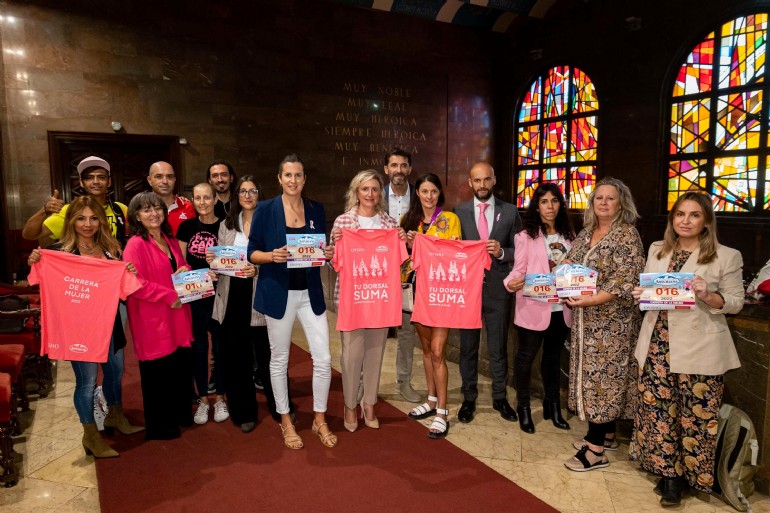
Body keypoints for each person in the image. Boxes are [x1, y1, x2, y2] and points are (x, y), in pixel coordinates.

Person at [630, 192, 744, 506]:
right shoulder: (657, 250)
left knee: (695, 417)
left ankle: (694, 477)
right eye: (680, 214)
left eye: (694, 215)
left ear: (706, 220)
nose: (686, 220)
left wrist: (708, 294)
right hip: (657, 345)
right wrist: (641, 293)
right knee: (660, 414)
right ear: (672, 218)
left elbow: (735, 303)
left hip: (700, 346)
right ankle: (670, 478)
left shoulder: (726, 255)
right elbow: (650, 293)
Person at [26, 195, 143, 458]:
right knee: (87, 382)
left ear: (101, 221)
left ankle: (115, 416)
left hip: (110, 322)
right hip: (78, 331)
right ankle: (90, 435)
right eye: (81, 218)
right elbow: (36, 278)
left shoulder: (112, 250)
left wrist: (128, 271)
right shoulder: (58, 253)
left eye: (93, 218)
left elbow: (124, 285)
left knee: (115, 372)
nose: (87, 224)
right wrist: (35, 260)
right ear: (71, 221)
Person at [247, 154, 337, 449]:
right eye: (288, 175)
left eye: (298, 175)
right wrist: (272, 256)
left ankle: (319, 419)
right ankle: (285, 420)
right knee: (279, 359)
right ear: (279, 178)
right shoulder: (265, 209)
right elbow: (252, 253)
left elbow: (319, 249)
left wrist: (327, 254)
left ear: (304, 179)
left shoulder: (315, 208)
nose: (293, 180)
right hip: (278, 294)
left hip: (309, 293)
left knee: (323, 359)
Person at [563, 177, 645, 471]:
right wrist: (557, 278)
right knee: (592, 377)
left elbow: (625, 280)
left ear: (621, 202)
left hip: (612, 326)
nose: (604, 203)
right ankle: (607, 434)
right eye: (599, 198)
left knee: (605, 381)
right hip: (585, 322)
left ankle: (595, 449)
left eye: (610, 198)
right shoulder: (586, 232)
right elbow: (570, 265)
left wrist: (590, 300)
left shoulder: (627, 235)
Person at [207, 176, 290, 432]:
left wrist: (257, 268)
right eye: (243, 191)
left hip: (262, 293)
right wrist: (214, 260)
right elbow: (221, 260)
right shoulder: (226, 225)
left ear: (260, 194)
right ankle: (244, 411)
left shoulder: (273, 223)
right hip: (232, 294)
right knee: (237, 357)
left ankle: (281, 408)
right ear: (237, 196)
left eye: (253, 190)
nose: (247, 195)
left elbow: (280, 257)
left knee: (268, 355)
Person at [330, 169, 405, 432]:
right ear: (356, 192)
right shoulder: (342, 223)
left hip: (380, 300)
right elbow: (334, 261)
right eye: (365, 189)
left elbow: (400, 260)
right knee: (351, 355)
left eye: (375, 189)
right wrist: (334, 246)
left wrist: (403, 240)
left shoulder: (390, 225)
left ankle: (369, 402)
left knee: (375, 353)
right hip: (352, 301)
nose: (370, 194)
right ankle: (350, 404)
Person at [123, 192, 195, 440]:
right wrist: (167, 296)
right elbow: (134, 283)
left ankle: (179, 414)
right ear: (136, 216)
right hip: (152, 316)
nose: (153, 213)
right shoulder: (135, 244)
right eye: (146, 210)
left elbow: (179, 267)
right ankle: (161, 426)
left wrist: (186, 269)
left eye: (157, 208)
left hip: (177, 312)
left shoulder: (169, 238)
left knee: (177, 367)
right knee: (158, 373)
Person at [504, 183, 575, 433]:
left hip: (561, 309)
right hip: (534, 307)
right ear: (537, 205)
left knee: (553, 359)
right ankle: (523, 406)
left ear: (560, 204)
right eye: (544, 201)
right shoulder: (525, 236)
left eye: (554, 201)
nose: (550, 206)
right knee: (525, 359)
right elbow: (518, 270)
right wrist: (510, 283)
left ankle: (552, 405)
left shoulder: (570, 236)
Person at [454, 162, 520, 424]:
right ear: (470, 183)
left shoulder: (511, 211)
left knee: (498, 347)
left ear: (494, 180)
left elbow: (521, 251)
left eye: (486, 180)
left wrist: (502, 252)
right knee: (468, 348)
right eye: (476, 181)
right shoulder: (457, 213)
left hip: (498, 289)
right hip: (467, 291)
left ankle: (500, 397)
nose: (482, 185)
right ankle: (468, 398)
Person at [402, 173, 461, 439]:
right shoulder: (408, 221)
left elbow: (454, 255)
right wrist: (410, 247)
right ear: (417, 193)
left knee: (438, 351)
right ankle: (431, 399)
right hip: (416, 292)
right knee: (426, 349)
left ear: (439, 194)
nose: (429, 196)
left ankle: (443, 412)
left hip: (442, 292)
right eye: (424, 191)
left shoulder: (450, 219)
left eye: (433, 191)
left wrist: (424, 246)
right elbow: (401, 261)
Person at [176, 183, 227, 425]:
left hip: (220, 295)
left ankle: (220, 396)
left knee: (220, 347)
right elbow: (181, 262)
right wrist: (198, 274)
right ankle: (202, 399)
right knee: (198, 347)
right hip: (195, 292)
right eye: (198, 198)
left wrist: (218, 267)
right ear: (193, 201)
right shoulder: (186, 227)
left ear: (215, 198)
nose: (203, 202)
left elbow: (232, 260)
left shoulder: (225, 225)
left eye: (207, 197)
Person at [383, 149, 421, 404]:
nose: (398, 169)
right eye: (394, 165)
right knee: (373, 330)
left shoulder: (420, 198)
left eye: (403, 165)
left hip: (409, 273)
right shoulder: (374, 195)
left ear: (409, 169)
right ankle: (365, 383)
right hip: (379, 273)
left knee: (407, 333)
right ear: (386, 169)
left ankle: (403, 383)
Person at [22, 156, 127, 246]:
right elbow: (29, 235)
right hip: (82, 268)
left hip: (115, 268)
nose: (96, 182)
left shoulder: (120, 209)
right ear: (81, 182)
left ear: (109, 182)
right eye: (89, 177)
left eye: (101, 177)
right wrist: (44, 211)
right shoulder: (69, 211)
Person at [147, 161, 195, 235]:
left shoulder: (187, 207)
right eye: (159, 176)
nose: (165, 181)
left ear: (175, 179)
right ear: (149, 180)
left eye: (170, 176)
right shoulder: (140, 208)